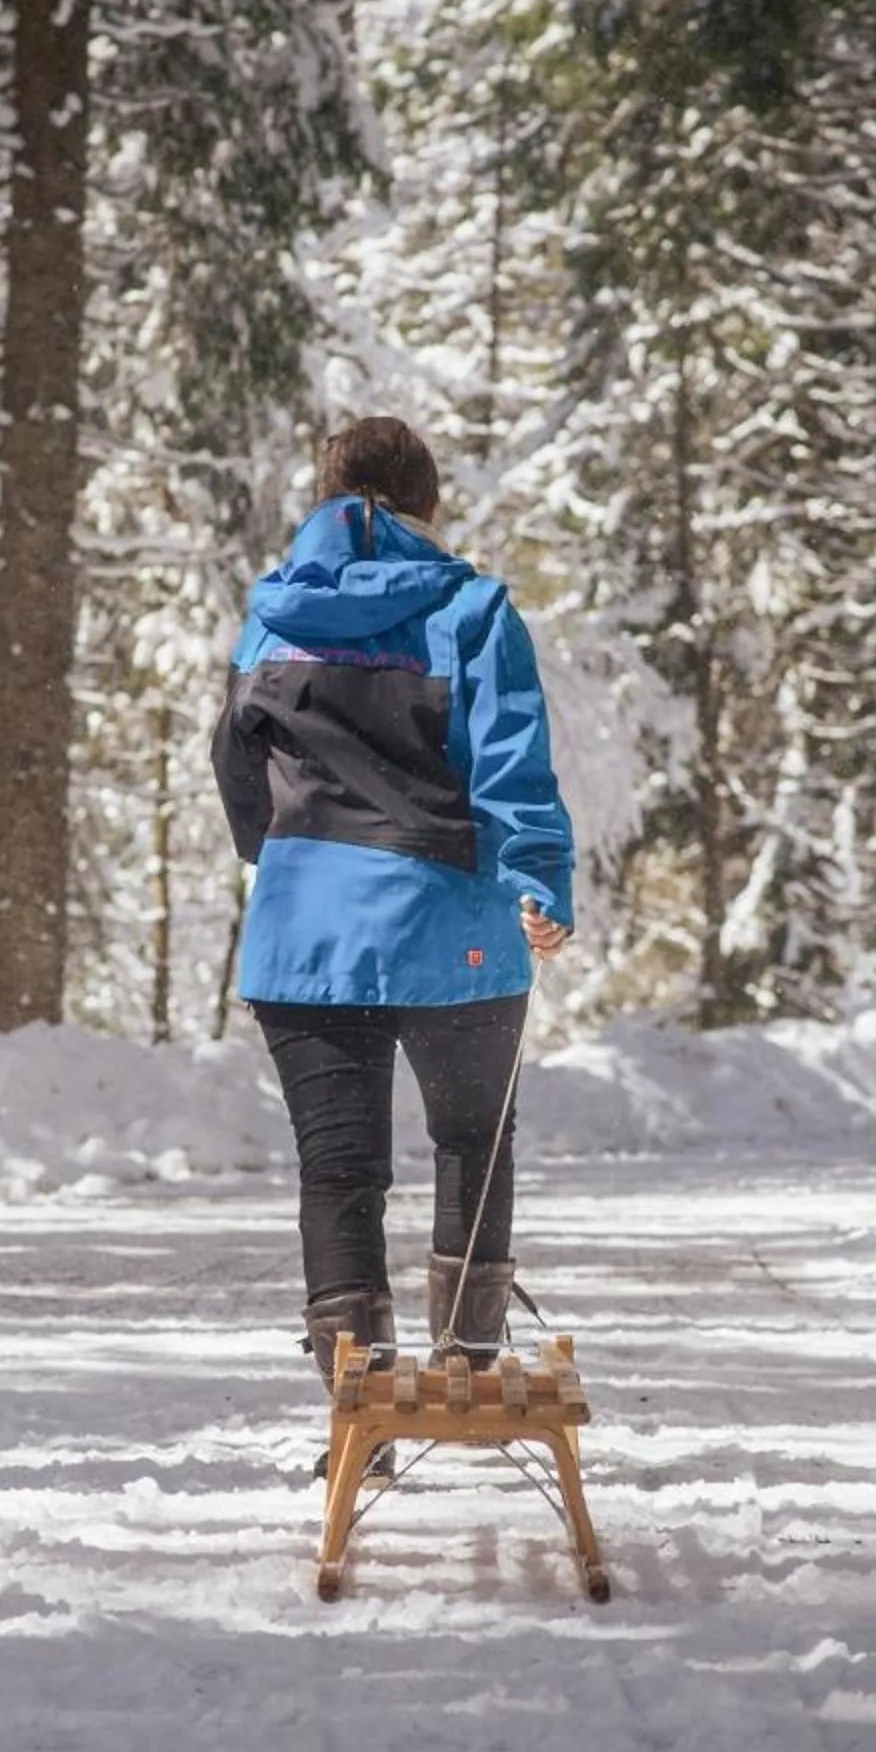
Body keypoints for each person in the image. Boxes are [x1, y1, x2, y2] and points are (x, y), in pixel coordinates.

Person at [212, 416, 576, 1401]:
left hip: (305, 934)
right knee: (472, 1141)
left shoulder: (275, 615)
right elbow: (512, 764)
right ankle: (464, 1371)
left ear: (325, 498)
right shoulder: (472, 610)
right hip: (449, 928)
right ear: (431, 503)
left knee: (338, 1171)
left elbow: (236, 761)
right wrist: (540, 881)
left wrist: (285, 854)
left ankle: (360, 1403)